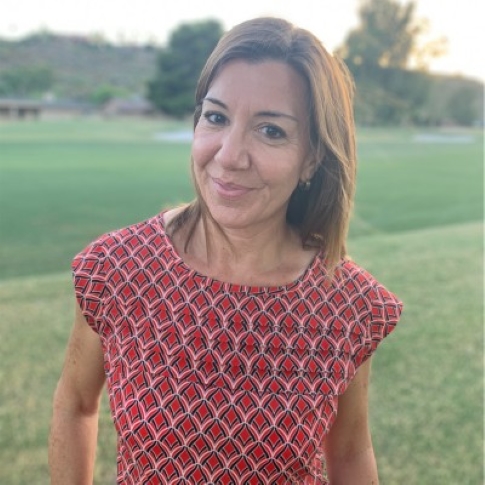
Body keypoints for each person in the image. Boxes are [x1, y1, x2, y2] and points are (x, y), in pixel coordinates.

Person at [49, 16, 403, 485]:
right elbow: (75, 405)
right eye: (216, 117)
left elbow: (351, 453)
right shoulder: (116, 270)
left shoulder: (347, 304)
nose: (230, 156)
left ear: (312, 159)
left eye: (271, 131)